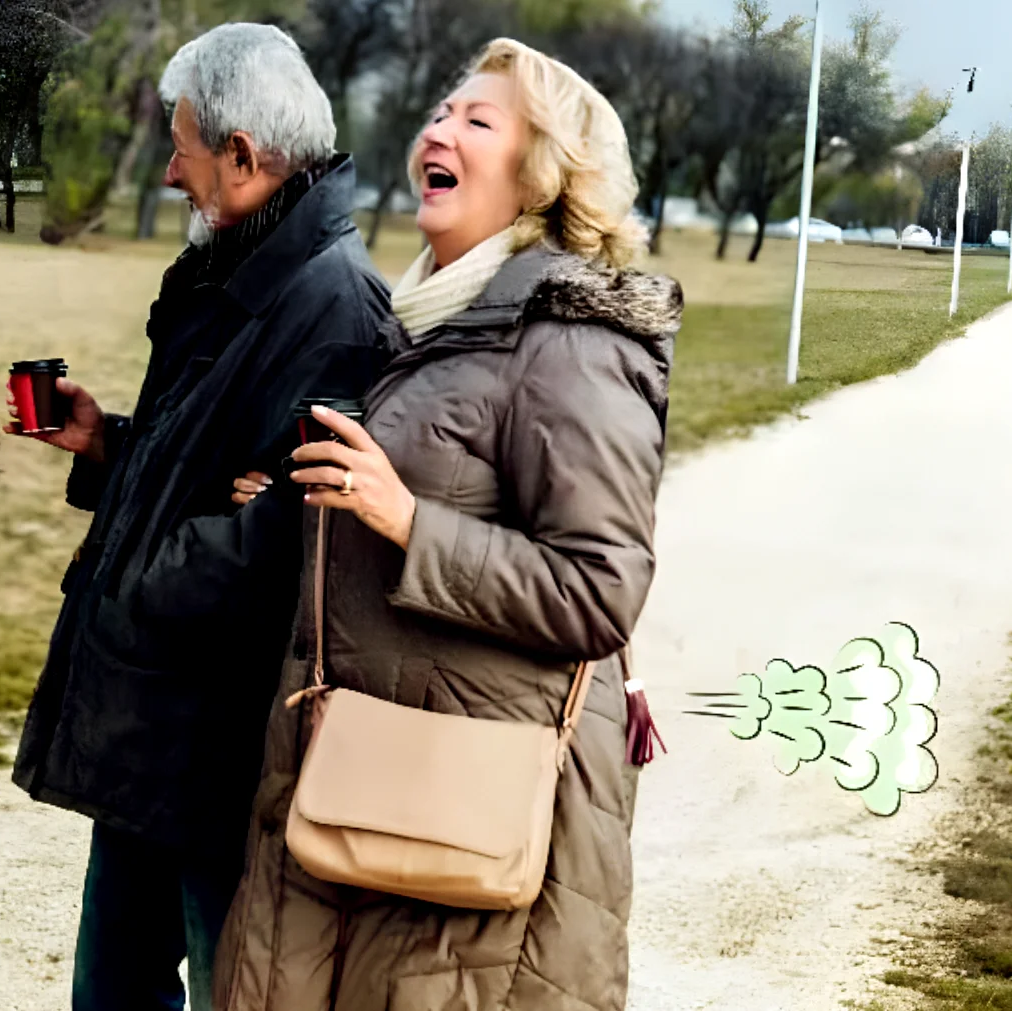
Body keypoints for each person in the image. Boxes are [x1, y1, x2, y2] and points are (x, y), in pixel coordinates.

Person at [213, 38, 682, 1011]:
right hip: (359, 781)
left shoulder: (575, 342)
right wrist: (314, 517)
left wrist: (404, 520)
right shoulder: (424, 321)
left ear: (542, 174)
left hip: (460, 833)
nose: (439, 128)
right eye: (439, 112)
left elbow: (599, 590)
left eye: (478, 120)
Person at [10, 23, 394, 1011]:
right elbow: (213, 468)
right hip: (155, 732)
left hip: (226, 745)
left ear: (243, 154)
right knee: (111, 994)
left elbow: (295, 526)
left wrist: (142, 584)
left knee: (235, 991)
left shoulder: (337, 306)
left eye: (182, 144)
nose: (172, 167)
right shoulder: (227, 275)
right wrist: (110, 447)